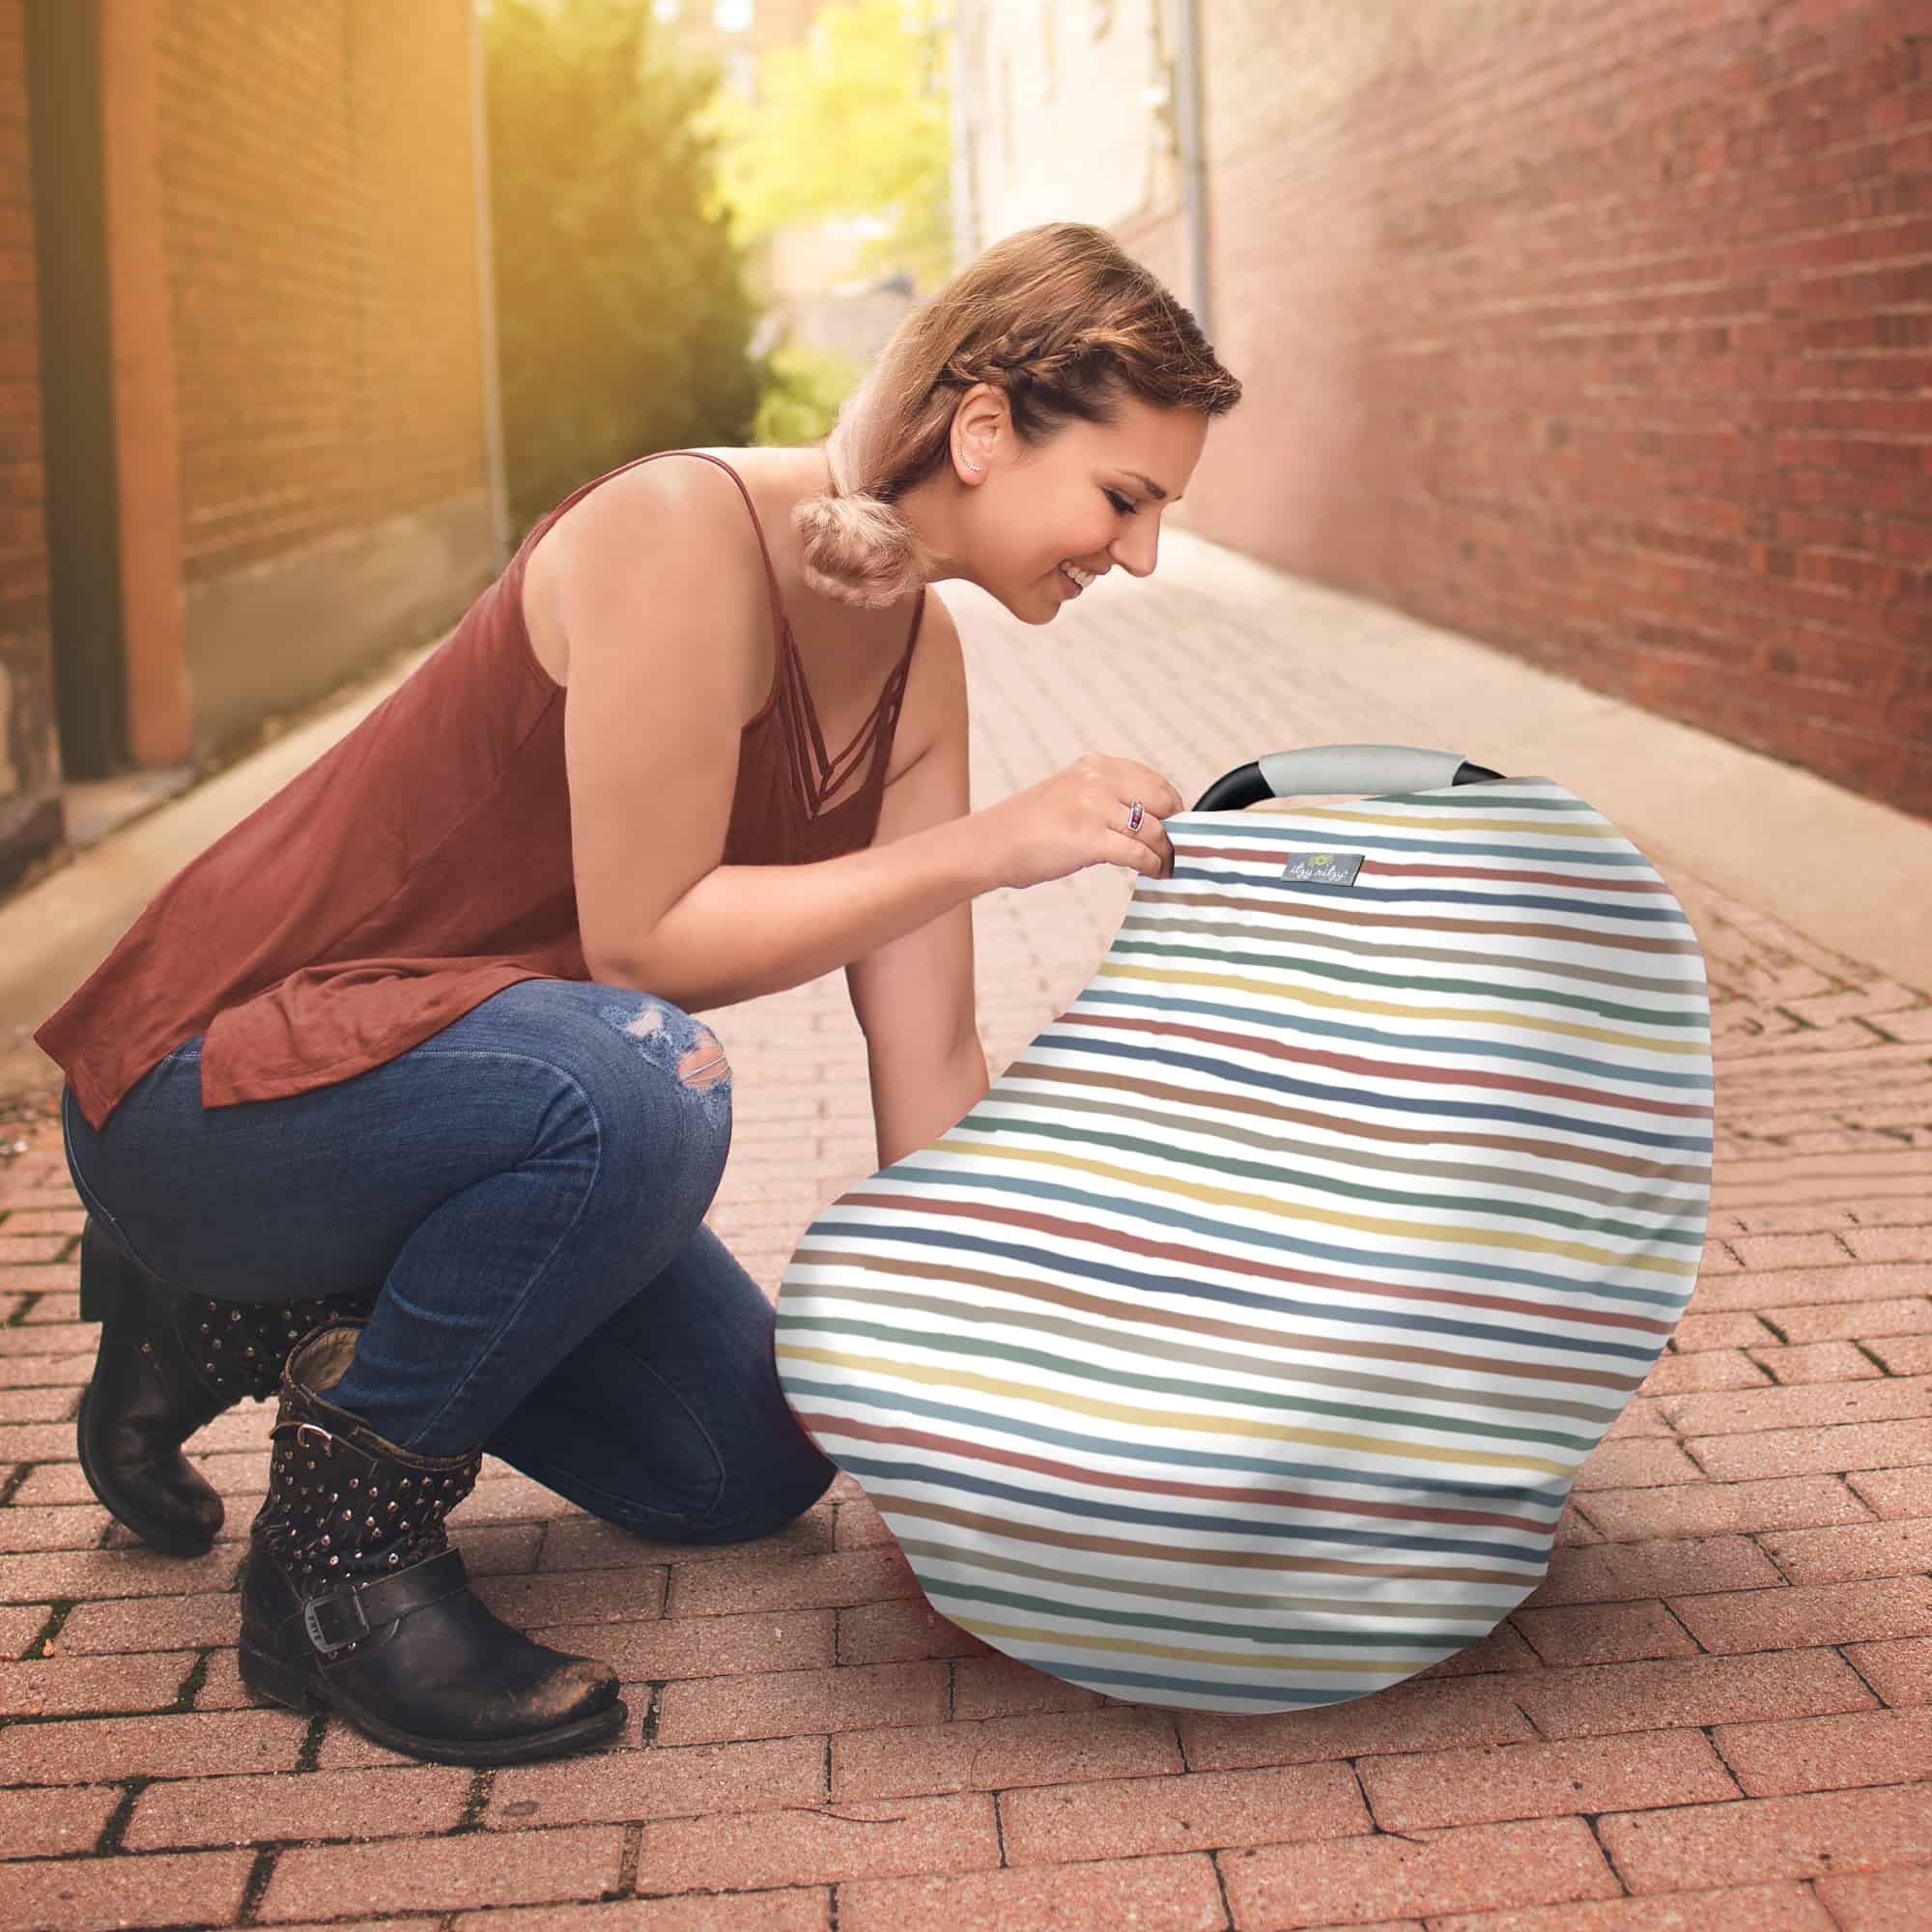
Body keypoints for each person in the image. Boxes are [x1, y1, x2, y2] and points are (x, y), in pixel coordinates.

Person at [37, 219, 1243, 1766]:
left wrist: (1000, 1397)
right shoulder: (684, 533)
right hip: (205, 1087)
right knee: (644, 1082)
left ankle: (216, 1319)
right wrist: (996, 847)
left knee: (744, 1470)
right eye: (1125, 498)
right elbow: (649, 943)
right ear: (988, 426)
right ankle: (337, 1574)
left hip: (443, 1099)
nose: (1135, 553)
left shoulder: (919, 662)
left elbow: (930, 1050)